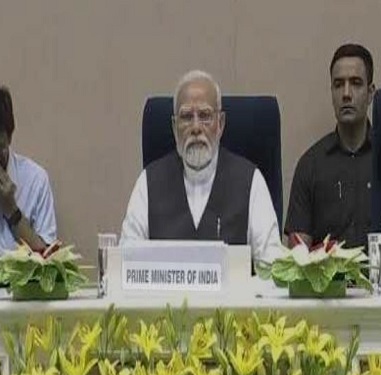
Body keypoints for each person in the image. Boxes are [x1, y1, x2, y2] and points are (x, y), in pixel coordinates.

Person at [120, 70, 282, 264]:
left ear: (220, 124)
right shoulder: (148, 183)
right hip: (165, 296)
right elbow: (125, 264)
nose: (196, 127)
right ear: (174, 127)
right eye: (187, 117)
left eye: (205, 115)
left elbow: (273, 268)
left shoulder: (251, 181)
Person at [284, 44, 376, 249]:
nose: (346, 93)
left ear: (370, 93)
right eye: (338, 84)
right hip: (327, 281)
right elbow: (298, 258)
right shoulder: (310, 165)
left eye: (356, 83)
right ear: (331, 92)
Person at [0, 85, 57, 257]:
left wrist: (11, 210)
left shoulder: (35, 179)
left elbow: (48, 257)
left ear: (10, 138)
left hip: (20, 283)